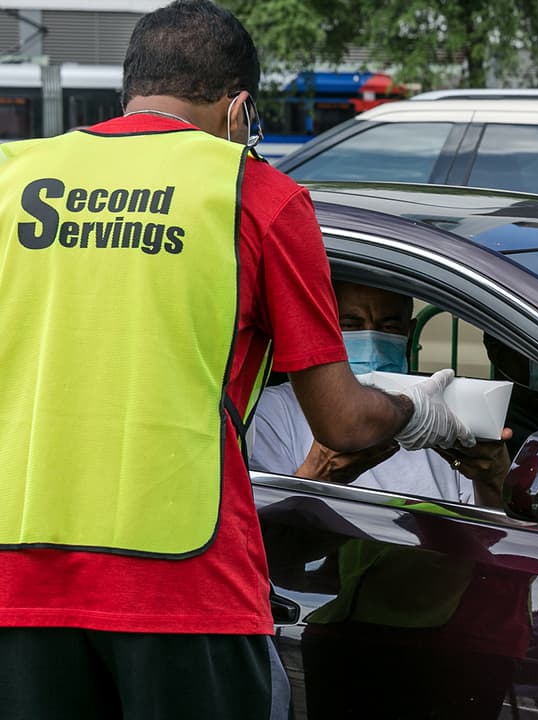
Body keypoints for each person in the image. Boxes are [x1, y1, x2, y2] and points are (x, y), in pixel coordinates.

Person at [0, 2, 470, 718]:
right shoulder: (256, 196)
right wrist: (420, 414)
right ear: (239, 106)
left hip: (17, 583)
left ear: (132, 89)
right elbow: (342, 422)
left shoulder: (13, 177)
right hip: (184, 589)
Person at [250, 281, 511, 505]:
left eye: (388, 328)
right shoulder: (274, 413)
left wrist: (493, 474)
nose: (373, 345)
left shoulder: (441, 412)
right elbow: (264, 534)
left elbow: (494, 536)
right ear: (324, 330)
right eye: (351, 325)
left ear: (409, 332)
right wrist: (323, 471)